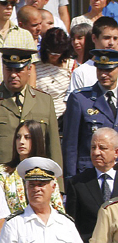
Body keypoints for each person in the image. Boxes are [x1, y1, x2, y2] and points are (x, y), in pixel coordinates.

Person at [0, 48, 61, 173]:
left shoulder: (44, 101)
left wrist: (58, 187)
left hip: (36, 179)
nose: (13, 75)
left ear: (29, 70)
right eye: (9, 69)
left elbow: (54, 147)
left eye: (19, 70)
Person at [63, 49, 118, 181]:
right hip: (89, 176)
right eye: (100, 70)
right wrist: (70, 180)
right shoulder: (81, 99)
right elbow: (70, 145)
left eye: (108, 70)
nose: (103, 75)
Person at [0, 120, 65, 213]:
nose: (21, 142)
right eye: (18, 137)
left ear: (36, 140)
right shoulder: (2, 172)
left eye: (27, 137)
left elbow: (58, 208)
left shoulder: (47, 172)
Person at [35, 28, 76, 120]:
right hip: (41, 115)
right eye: (51, 51)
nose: (54, 55)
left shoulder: (71, 65)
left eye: (58, 52)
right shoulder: (35, 67)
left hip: (64, 116)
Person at [69, 17, 118, 95]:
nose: (111, 42)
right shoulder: (81, 72)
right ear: (94, 38)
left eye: (115, 38)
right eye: (106, 38)